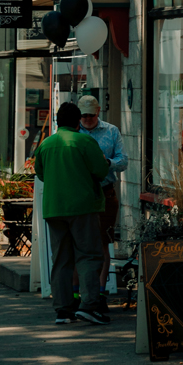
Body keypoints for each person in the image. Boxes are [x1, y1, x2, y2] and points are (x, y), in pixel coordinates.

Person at [34, 100, 112, 326]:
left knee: (60, 259)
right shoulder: (84, 141)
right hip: (82, 207)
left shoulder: (46, 144)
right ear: (78, 120)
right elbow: (100, 171)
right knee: (88, 255)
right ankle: (89, 306)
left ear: (58, 121)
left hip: (54, 208)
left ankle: (62, 309)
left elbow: (40, 174)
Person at [78, 92, 126, 267]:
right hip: (80, 194)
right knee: (80, 243)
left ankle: (101, 289)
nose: (88, 119)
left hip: (105, 192)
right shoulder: (73, 131)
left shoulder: (111, 131)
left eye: (92, 114)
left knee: (103, 242)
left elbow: (124, 161)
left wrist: (107, 162)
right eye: (84, 115)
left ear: (98, 111)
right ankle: (77, 290)